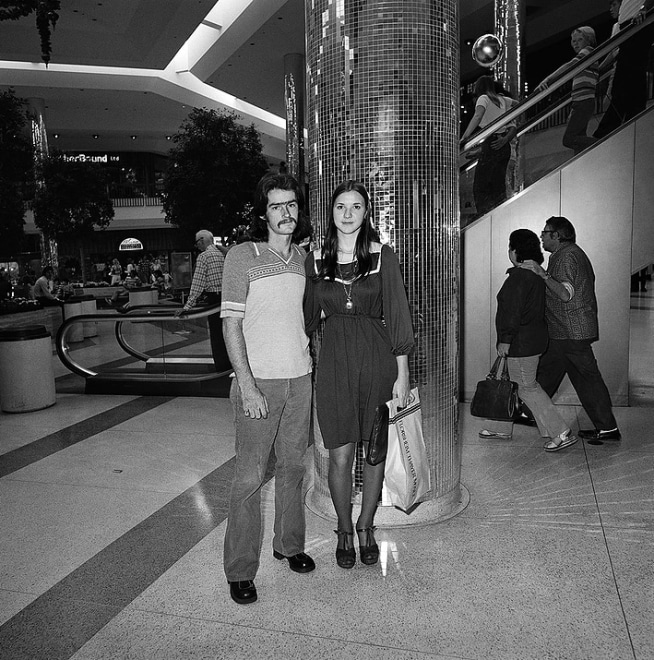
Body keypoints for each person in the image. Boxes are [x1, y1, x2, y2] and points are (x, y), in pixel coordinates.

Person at [304, 180, 414, 569]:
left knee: (374, 448)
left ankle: (367, 525)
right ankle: (344, 527)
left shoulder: (383, 255)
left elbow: (398, 313)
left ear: (366, 212)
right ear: (330, 213)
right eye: (340, 206)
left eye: (355, 206)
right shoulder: (314, 260)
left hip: (377, 359)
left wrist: (402, 375)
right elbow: (305, 315)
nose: (347, 213)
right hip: (334, 362)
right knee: (339, 453)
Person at [220, 173, 315, 605]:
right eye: (277, 206)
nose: (286, 213)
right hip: (259, 383)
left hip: (300, 379)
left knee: (294, 468)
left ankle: (289, 544)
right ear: (264, 213)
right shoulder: (243, 255)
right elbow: (231, 323)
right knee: (249, 477)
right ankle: (240, 569)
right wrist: (247, 385)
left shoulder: (301, 259)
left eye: (291, 204)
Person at [520, 217, 621, 443]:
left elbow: (565, 293)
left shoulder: (566, 256)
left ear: (557, 236)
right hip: (564, 332)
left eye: (545, 233)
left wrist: (542, 274)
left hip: (570, 332)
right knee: (548, 371)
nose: (542, 237)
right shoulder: (569, 253)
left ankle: (608, 427)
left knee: (587, 379)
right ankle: (529, 412)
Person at [479, 230, 578, 451]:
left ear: (515, 251)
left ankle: (560, 431)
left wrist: (505, 339)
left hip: (521, 343)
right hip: (532, 340)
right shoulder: (532, 275)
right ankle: (500, 427)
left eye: (510, 246)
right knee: (513, 383)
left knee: (526, 387)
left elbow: (512, 313)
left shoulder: (519, 277)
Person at [594, 0, 654, 138]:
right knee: (630, 80)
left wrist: (644, 8)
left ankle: (604, 132)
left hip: (638, 25)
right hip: (631, 26)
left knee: (624, 81)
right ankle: (632, 123)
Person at [460, 75, 518, 216]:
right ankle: (500, 214)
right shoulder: (502, 99)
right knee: (498, 185)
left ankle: (484, 216)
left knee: (481, 185)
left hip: (490, 141)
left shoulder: (483, 98)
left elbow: (477, 116)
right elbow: (518, 103)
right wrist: (506, 117)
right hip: (504, 145)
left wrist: (465, 137)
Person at [535, 27, 599, 154]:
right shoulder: (587, 55)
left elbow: (569, 66)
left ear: (589, 40)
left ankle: (602, 143)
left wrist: (548, 79)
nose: (575, 43)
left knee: (569, 139)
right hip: (581, 101)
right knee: (578, 143)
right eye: (573, 40)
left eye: (580, 39)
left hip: (584, 101)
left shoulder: (588, 51)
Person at [175, 230, 229, 372]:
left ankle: (221, 368)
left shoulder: (204, 257)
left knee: (217, 336)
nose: (197, 246)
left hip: (214, 299)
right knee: (228, 334)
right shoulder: (223, 254)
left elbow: (198, 284)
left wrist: (187, 306)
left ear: (202, 240)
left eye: (197, 242)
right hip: (227, 298)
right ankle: (231, 365)